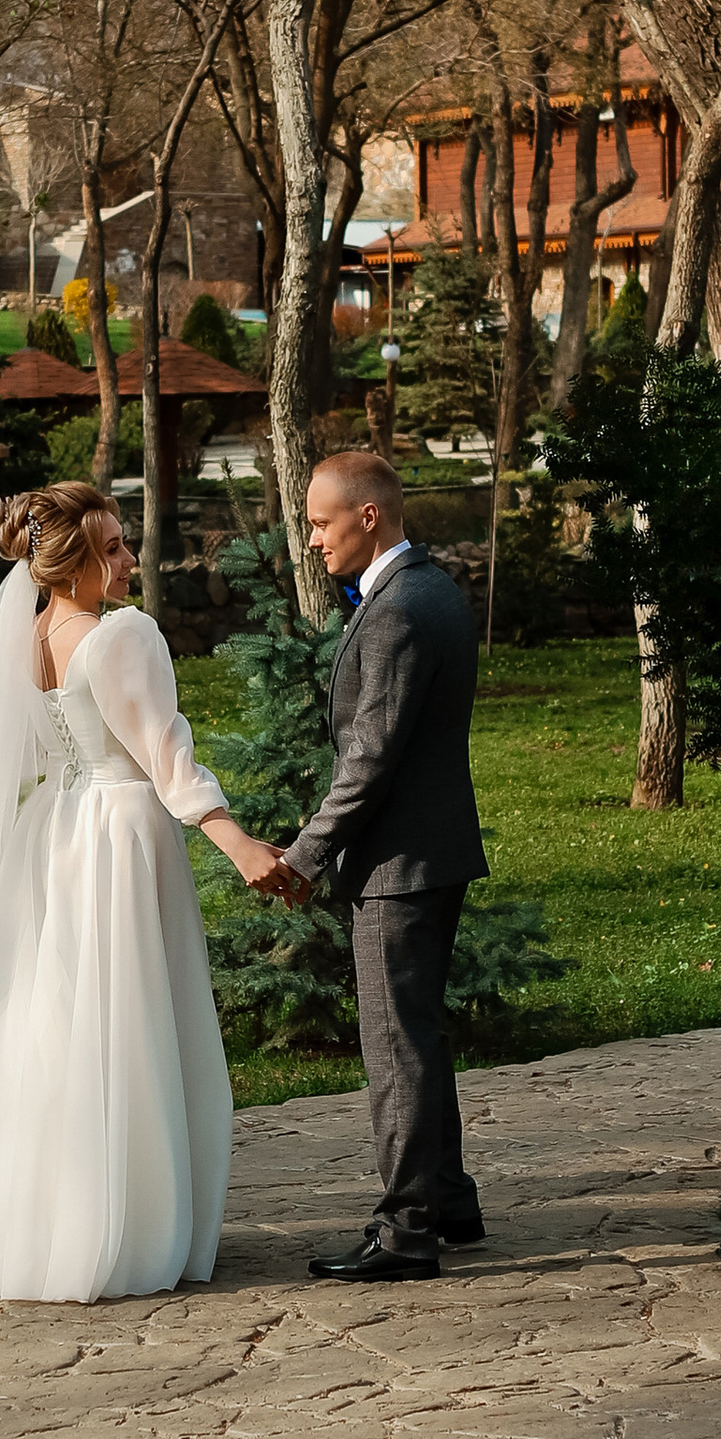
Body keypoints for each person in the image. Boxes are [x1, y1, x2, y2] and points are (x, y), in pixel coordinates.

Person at [0, 480, 291, 1305]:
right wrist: (237, 843)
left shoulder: (29, 633)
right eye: (114, 547)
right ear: (76, 563)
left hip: (57, 834)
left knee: (56, 1023)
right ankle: (128, 1228)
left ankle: (38, 1230)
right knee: (130, 1022)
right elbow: (165, 754)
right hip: (122, 833)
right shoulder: (123, 636)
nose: (130, 559)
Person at [269, 449, 489, 1284]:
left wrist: (304, 857)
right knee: (420, 1037)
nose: (313, 540)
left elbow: (369, 758)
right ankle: (451, 1199)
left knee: (395, 1049)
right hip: (434, 849)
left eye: (322, 523)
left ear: (369, 516)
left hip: (400, 861)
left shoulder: (399, 610)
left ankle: (406, 1233)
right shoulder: (430, 586)